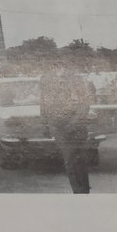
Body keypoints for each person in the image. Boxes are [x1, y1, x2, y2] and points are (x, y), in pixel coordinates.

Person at [40, 65, 95, 194]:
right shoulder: (48, 86)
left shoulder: (78, 85)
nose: (60, 72)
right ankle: (78, 190)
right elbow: (43, 106)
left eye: (63, 69)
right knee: (70, 160)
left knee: (80, 160)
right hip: (60, 129)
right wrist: (45, 125)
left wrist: (73, 124)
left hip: (77, 128)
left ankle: (83, 190)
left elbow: (84, 106)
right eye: (57, 69)